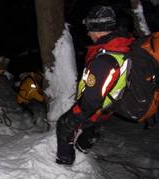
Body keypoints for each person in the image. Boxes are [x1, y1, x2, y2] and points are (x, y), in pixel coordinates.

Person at [56, 5, 159, 166]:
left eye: (89, 28)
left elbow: (92, 100)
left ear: (97, 29)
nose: (88, 33)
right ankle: (84, 147)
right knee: (92, 122)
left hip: (105, 103)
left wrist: (73, 118)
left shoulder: (105, 59)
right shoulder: (122, 43)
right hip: (113, 101)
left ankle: (64, 164)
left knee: (64, 124)